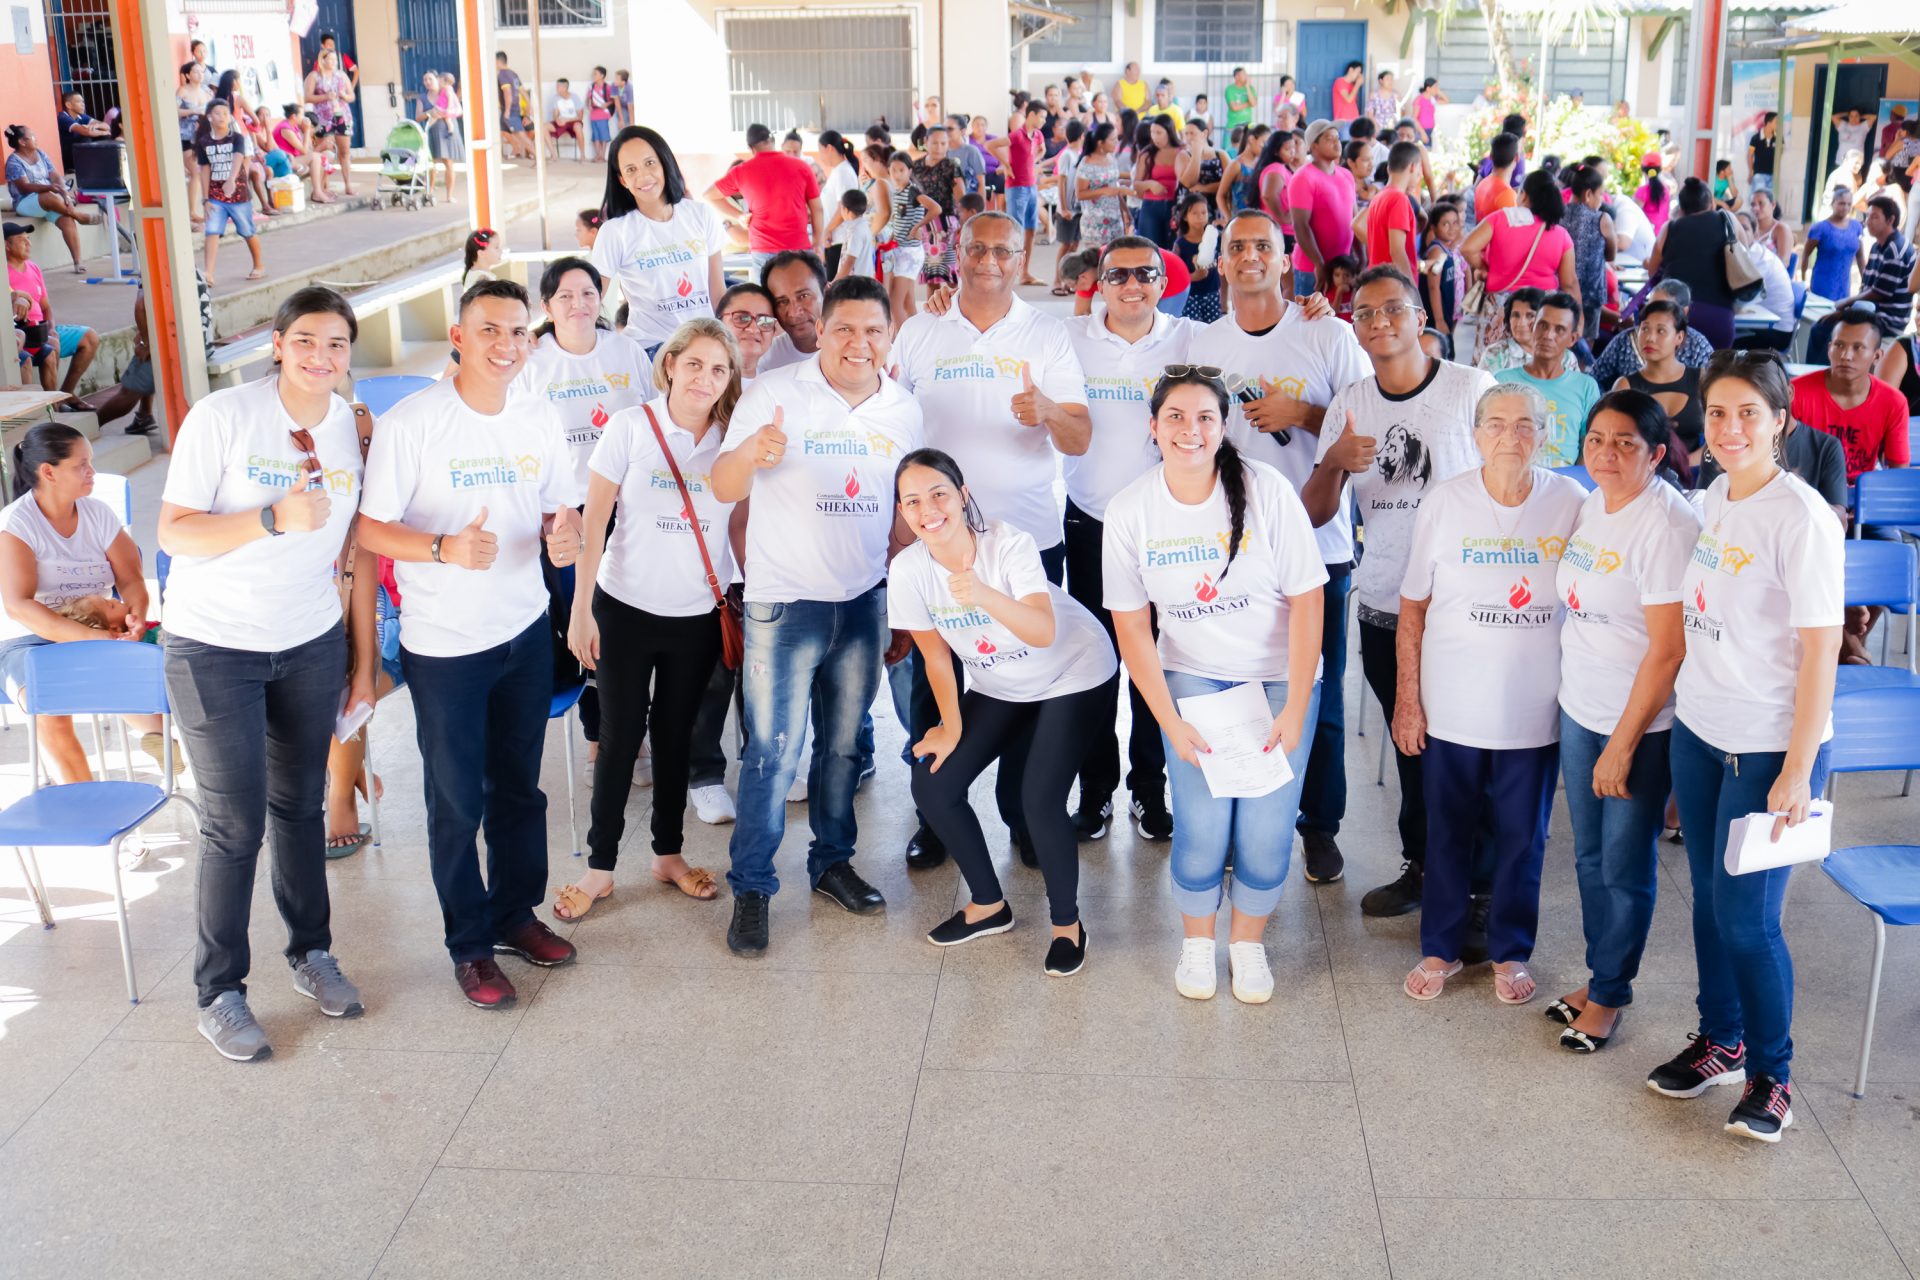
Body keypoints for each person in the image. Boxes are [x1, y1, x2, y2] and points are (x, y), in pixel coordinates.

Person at [155, 287, 374, 1060]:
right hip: (214, 645)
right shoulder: (223, 417)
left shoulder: (352, 426)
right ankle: (219, 991)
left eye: (337, 343)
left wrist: (360, 660)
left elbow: (355, 550)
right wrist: (270, 517)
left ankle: (311, 953)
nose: (321, 356)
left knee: (300, 806)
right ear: (277, 344)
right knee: (235, 825)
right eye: (306, 340)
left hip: (308, 641)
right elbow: (173, 532)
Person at [357, 279, 585, 1009]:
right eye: (489, 329)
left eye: (518, 332)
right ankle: (471, 947)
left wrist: (564, 534)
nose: (505, 345)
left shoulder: (537, 414)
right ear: (458, 336)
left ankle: (516, 915)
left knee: (519, 789)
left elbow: (560, 508)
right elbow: (369, 528)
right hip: (445, 645)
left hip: (523, 631)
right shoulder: (413, 424)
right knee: (456, 802)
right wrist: (442, 548)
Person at [1650, 351, 1843, 1143]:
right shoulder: (1714, 497)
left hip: (1769, 747)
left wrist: (1798, 768)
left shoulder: (1802, 518)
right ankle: (1720, 1040)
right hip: (1701, 729)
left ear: (1780, 422)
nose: (1730, 429)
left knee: (1748, 921)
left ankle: (1772, 1075)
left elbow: (1822, 650)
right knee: (1708, 898)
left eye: (1748, 414)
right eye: (1718, 413)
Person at [707, 276, 919, 954]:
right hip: (783, 605)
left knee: (845, 746)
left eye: (874, 331)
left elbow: (906, 514)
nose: (859, 343)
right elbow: (721, 485)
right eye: (845, 329)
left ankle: (831, 863)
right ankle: (752, 887)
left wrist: (902, 605)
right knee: (772, 753)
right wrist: (750, 454)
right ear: (821, 331)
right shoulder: (774, 394)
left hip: (863, 602)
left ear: (890, 337)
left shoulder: (904, 410)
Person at [1104, 368, 1325, 1002]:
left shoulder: (1266, 489)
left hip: (1278, 678)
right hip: (1192, 676)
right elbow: (1132, 627)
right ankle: (1198, 943)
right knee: (1201, 824)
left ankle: (1247, 945)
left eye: (1205, 417)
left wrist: (1297, 706)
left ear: (1224, 427)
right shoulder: (1131, 510)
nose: (1190, 430)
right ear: (1153, 427)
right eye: (1175, 417)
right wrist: (1168, 722)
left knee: (1266, 827)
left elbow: (1309, 600)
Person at [891, 211, 1090, 864]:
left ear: (1021, 257)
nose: (989, 261)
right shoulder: (921, 330)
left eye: (1003, 251)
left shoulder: (1047, 334)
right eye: (976, 249)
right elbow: (889, 423)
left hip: (1027, 540)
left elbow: (1079, 438)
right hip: (937, 543)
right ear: (958, 252)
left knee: (1029, 679)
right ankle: (935, 813)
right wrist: (898, 529)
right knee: (933, 678)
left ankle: (1023, 814)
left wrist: (1050, 411)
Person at [1304, 267, 1494, 916]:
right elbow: (1315, 512)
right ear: (1354, 328)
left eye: (1393, 309)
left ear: (1421, 318)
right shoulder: (1350, 403)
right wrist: (1335, 461)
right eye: (1365, 313)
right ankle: (1422, 868)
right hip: (1385, 603)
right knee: (1410, 744)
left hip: (1466, 609)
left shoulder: (1471, 388)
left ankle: (1478, 890)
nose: (1379, 321)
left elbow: (1512, 485)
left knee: (1469, 751)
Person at [1393, 382, 1586, 1003]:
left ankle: (1510, 951)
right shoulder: (1444, 502)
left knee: (1523, 837)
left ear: (1545, 435)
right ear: (1476, 435)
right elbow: (1413, 607)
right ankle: (1439, 947)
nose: (1511, 436)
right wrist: (1407, 700)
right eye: (1497, 424)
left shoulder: (1571, 502)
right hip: (1452, 702)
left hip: (1535, 706)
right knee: (1447, 829)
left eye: (1525, 425)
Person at [1193, 209, 1368, 879]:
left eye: (1261, 246)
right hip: (1233, 551)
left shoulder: (1327, 334)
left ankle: (1318, 826)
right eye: (1237, 247)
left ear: (1284, 258)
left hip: (1319, 544)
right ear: (1222, 262)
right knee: (1236, 690)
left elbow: (1366, 421)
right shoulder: (1206, 342)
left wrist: (1305, 415)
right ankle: (1240, 820)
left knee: (1318, 693)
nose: (1249, 257)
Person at [892, 448, 1113, 973]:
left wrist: (983, 594)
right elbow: (937, 658)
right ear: (902, 511)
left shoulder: (1009, 544)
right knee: (934, 783)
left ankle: (1067, 927)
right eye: (913, 501)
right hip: (1001, 681)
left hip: (1073, 669)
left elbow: (1043, 630)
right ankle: (989, 905)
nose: (928, 510)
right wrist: (950, 728)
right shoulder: (908, 569)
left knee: (1039, 799)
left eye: (939, 494)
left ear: (963, 495)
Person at [555, 317, 740, 921]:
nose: (705, 378)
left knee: (675, 734)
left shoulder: (733, 440)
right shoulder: (631, 427)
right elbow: (593, 523)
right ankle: (600, 867)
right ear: (670, 365)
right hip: (625, 608)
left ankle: (668, 854)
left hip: (697, 615)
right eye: (695, 364)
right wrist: (581, 610)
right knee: (619, 737)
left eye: (719, 369)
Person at [1546, 390, 1699, 1051]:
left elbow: (1668, 650)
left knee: (1624, 866)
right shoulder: (1592, 503)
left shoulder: (1665, 526)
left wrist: (1623, 744)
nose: (1606, 453)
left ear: (1656, 453)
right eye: (1596, 440)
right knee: (1588, 857)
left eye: (1625, 443)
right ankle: (1600, 975)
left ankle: (1609, 995)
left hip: (1639, 723)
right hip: (1581, 706)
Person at [1, 424, 159, 787]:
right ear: (48, 472)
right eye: (81, 465)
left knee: (145, 678)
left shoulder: (98, 513)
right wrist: (98, 640)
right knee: (49, 706)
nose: (92, 472)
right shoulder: (16, 524)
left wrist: (135, 616)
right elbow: (19, 606)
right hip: (28, 638)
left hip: (99, 626)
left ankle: (164, 746)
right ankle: (84, 800)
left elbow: (131, 579)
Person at [591, 126, 726, 357]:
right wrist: (549, 332)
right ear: (622, 180)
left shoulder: (701, 215)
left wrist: (727, 344)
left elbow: (718, 294)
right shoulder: (615, 232)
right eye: (631, 169)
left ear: (664, 162)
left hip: (704, 346)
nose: (643, 176)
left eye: (650, 163)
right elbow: (590, 298)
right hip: (651, 351)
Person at [1462, 170, 1579, 362]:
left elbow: (1467, 248)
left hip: (1500, 307)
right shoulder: (1560, 234)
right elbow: (1569, 283)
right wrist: (1577, 320)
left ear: (1523, 195)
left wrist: (1484, 268)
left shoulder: (1501, 218)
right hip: (1542, 310)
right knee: (1536, 364)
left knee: (1492, 363)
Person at [1792, 309, 1910, 486]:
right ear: (1829, 349)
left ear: (1877, 356)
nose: (1846, 356)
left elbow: (1898, 472)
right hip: (1806, 490)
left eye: (1858, 347)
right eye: (1839, 345)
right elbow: (1776, 459)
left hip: (1861, 494)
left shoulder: (1894, 403)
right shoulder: (1795, 393)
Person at [1492, 291, 1597, 468]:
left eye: (1559, 330)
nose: (1548, 335)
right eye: (1542, 325)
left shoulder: (1586, 387)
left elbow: (1590, 445)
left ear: (1572, 339)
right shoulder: (1503, 381)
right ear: (1533, 328)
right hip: (1514, 476)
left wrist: (1573, 480)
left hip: (1566, 480)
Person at [705, 123, 823, 271]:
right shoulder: (802, 166)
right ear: (772, 141)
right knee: (799, 286)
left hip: (763, 250)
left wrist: (740, 216)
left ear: (751, 148)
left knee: (763, 287)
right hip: (798, 247)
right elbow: (817, 209)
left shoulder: (741, 171)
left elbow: (709, 195)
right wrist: (818, 241)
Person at [1644, 178, 1738, 349]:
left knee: (1672, 365)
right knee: (1716, 365)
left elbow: (1653, 272)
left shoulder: (1669, 228)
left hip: (1675, 316)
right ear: (1711, 203)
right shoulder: (1728, 221)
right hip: (1719, 315)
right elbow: (1744, 258)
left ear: (1681, 208)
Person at [4, 223, 97, 395]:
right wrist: (16, 297)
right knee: (44, 349)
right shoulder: (3, 272)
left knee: (89, 337)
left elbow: (46, 307)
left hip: (40, 330)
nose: (28, 244)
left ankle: (65, 396)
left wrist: (52, 328)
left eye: (28, 239)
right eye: (21, 240)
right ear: (6, 245)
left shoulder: (33, 268)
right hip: (21, 332)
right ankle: (45, 404)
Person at [1615, 299, 1704, 465]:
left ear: (1679, 337)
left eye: (1661, 331)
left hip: (1694, 471)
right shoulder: (1625, 386)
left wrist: (1686, 464)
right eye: (1645, 329)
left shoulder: (1701, 379)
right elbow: (1616, 440)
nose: (1650, 338)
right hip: (1641, 472)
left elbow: (1720, 437)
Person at [3, 123, 101, 271]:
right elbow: (24, 187)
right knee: (49, 196)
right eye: (32, 136)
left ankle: (78, 262)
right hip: (25, 202)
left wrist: (64, 192)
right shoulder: (13, 161)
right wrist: (49, 188)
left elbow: (55, 175)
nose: (36, 138)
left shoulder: (41, 154)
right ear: (22, 142)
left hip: (50, 200)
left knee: (67, 219)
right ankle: (79, 216)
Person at [195, 100, 266, 287]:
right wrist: (205, 198)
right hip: (215, 196)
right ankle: (208, 273)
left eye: (225, 113)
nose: (222, 117)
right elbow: (204, 170)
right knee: (212, 231)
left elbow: (238, 158)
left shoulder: (237, 138)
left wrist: (231, 180)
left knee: (247, 230)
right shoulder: (203, 142)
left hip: (238, 195)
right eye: (217, 113)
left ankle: (258, 264)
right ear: (209, 117)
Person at [1287, 120, 1357, 297]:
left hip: (1342, 268)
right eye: (1329, 138)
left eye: (1337, 138)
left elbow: (1354, 220)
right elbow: (1301, 226)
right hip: (1311, 268)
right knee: (1310, 314)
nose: (1336, 143)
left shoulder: (1346, 175)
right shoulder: (1303, 177)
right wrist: (1319, 263)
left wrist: (1361, 255)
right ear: (1314, 146)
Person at [988, 100, 1049, 279]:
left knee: (1031, 230)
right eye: (1042, 117)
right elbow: (990, 145)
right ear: (1031, 115)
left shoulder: (1037, 135)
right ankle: (1008, 271)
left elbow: (1042, 149)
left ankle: (1025, 272)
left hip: (1031, 186)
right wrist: (1006, 165)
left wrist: (1033, 161)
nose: (1044, 121)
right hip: (1016, 187)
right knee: (1015, 231)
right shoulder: (1016, 135)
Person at [1563, 166, 1615, 343]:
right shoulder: (1601, 218)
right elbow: (1611, 255)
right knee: (1585, 345)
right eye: (1600, 194)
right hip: (1590, 294)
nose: (1602, 200)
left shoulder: (1558, 214)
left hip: (1561, 290)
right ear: (1588, 194)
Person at [1362, 140, 1421, 279]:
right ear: (1412, 167)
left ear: (1389, 169)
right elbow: (1397, 252)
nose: (1420, 176)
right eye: (1419, 172)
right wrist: (1411, 288)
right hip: (1395, 284)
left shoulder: (1379, 197)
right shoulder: (1398, 199)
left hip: (1379, 280)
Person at [303, 48, 355, 198]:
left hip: (342, 116)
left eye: (335, 60)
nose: (333, 62)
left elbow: (351, 96)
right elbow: (307, 97)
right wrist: (326, 96)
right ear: (322, 60)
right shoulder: (314, 76)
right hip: (323, 118)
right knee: (327, 152)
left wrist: (344, 95)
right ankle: (323, 187)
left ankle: (348, 185)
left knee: (345, 151)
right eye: (330, 59)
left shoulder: (341, 75)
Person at [1073, 123, 1127, 251]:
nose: (1117, 142)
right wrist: (1104, 191)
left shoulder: (1111, 159)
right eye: (1113, 139)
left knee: (1115, 258)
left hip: (1115, 221)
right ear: (1100, 143)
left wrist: (1126, 211)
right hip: (1095, 224)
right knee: (1098, 259)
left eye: (1117, 138)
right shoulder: (1086, 163)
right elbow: (1080, 194)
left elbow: (1115, 188)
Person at [418, 70, 462, 204]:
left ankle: (449, 196)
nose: (427, 82)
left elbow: (459, 110)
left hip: (448, 130)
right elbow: (418, 117)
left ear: (437, 79)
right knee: (431, 164)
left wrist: (445, 113)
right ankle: (429, 193)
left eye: (430, 79)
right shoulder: (422, 97)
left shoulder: (447, 91)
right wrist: (430, 113)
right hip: (432, 131)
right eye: (425, 80)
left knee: (449, 162)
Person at [56, 90, 110, 174]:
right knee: (85, 138)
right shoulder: (63, 117)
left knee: (105, 137)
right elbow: (86, 132)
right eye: (79, 102)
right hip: (68, 155)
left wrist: (96, 126)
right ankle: (86, 168)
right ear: (68, 105)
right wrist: (103, 132)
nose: (83, 104)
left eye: (83, 102)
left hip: (77, 151)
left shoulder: (81, 116)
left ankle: (104, 164)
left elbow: (106, 126)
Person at [495, 51, 533, 162]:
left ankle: (537, 156)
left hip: (510, 110)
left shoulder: (502, 74)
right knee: (503, 131)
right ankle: (517, 149)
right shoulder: (513, 74)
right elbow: (523, 91)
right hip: (514, 109)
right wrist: (530, 106)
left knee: (521, 135)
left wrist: (507, 111)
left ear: (498, 61)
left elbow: (507, 92)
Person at [1747, 187, 1792, 265]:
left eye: (1761, 203)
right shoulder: (1748, 228)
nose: (1756, 208)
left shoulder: (1781, 229)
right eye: (1753, 204)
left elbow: (1784, 262)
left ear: (1773, 205)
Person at [1634, 154, 1670, 237]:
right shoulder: (1666, 190)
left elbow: (1634, 215)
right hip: (1663, 235)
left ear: (1643, 170)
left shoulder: (1642, 191)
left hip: (1646, 236)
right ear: (1660, 169)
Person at [584, 67, 615, 164]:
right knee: (596, 135)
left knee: (604, 135)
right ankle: (598, 155)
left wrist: (607, 104)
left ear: (602, 75)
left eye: (595, 74)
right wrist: (588, 105)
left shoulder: (607, 87)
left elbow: (613, 100)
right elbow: (588, 99)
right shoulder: (591, 87)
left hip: (603, 114)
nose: (593, 76)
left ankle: (602, 155)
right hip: (593, 114)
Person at [547, 78, 583, 159]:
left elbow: (580, 117)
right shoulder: (555, 98)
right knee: (543, 127)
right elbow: (555, 115)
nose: (556, 88)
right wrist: (557, 120)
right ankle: (553, 154)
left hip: (573, 121)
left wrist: (566, 120)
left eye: (558, 86)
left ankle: (582, 155)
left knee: (578, 127)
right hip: (561, 122)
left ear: (564, 88)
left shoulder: (575, 97)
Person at [1747, 112, 1778, 195]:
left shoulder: (1779, 139)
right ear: (1769, 122)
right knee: (1759, 196)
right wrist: (1750, 172)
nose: (1778, 124)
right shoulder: (1755, 138)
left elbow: (1780, 155)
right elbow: (1750, 155)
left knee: (1769, 198)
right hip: (1758, 174)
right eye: (1776, 121)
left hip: (1772, 176)